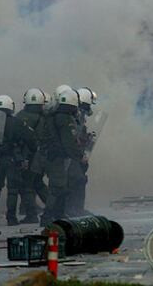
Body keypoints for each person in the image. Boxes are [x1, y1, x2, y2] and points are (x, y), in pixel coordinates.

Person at [40, 89, 85, 226]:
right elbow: (69, 142)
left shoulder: (52, 116)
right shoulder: (65, 119)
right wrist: (79, 156)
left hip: (51, 155)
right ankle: (47, 217)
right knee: (57, 187)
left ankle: (59, 214)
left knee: (61, 186)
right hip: (58, 157)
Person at [0, 95, 37, 225]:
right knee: (12, 190)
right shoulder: (17, 122)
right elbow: (30, 139)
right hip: (12, 159)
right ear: (10, 107)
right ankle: (11, 218)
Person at [16, 88, 49, 224]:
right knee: (38, 183)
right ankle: (56, 209)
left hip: (28, 157)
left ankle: (31, 215)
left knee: (26, 186)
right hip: (41, 156)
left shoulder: (20, 116)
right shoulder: (44, 117)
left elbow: (17, 138)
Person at [65, 87, 97, 217]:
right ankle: (71, 209)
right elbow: (73, 135)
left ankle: (77, 208)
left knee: (79, 179)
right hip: (71, 155)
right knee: (76, 179)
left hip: (75, 154)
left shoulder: (78, 115)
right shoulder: (74, 116)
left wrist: (87, 138)